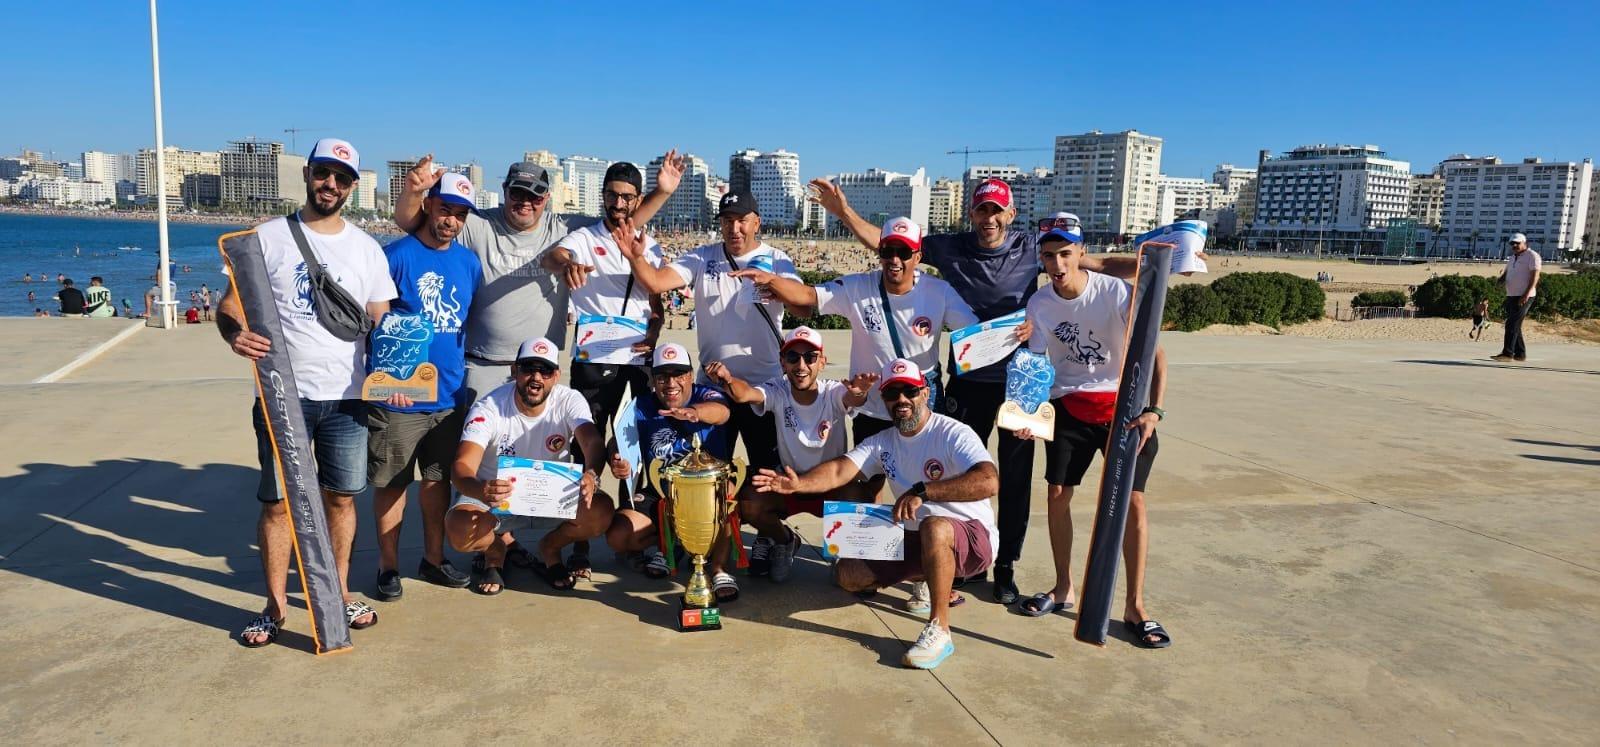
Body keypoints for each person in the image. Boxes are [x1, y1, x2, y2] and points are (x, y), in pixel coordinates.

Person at [810, 179, 1139, 605]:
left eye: (997, 211)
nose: (990, 219)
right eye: (982, 210)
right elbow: (893, 246)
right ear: (972, 213)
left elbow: (1094, 262)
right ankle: (950, 553)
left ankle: (1005, 568)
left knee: (1016, 481)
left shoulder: (1030, 246)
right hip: (967, 383)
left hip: (1020, 381)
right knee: (952, 473)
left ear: (1011, 214)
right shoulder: (950, 247)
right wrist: (844, 212)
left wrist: (1156, 263)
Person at [215, 137, 397, 647]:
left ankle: (336, 593)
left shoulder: (366, 249)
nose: (331, 185)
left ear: (353, 187)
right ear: (308, 174)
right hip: (280, 396)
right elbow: (229, 306)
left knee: (341, 501)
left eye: (342, 178)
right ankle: (275, 606)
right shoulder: (266, 238)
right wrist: (234, 335)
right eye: (323, 173)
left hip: (347, 399)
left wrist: (400, 376)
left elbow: (383, 326)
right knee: (277, 505)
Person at [752, 359, 999, 669]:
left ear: (925, 393)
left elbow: (989, 481)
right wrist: (800, 483)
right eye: (892, 394)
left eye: (909, 391)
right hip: (915, 536)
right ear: (884, 400)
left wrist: (925, 491)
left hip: (970, 537)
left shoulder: (953, 433)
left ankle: (940, 629)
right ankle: (926, 573)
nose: (901, 401)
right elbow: (841, 468)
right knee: (848, 577)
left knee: (935, 526)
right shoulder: (883, 443)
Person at [393, 153, 678, 407]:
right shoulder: (477, 224)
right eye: (518, 193)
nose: (526, 202)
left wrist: (663, 192)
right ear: (505, 191)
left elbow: (625, 220)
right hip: (484, 364)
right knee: (479, 454)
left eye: (535, 196)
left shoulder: (565, 226)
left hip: (541, 366)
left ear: (546, 198)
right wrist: (413, 193)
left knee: (531, 453)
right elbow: (413, 224)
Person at [1010, 222, 1171, 649]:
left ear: (1081, 251)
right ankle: (1064, 588)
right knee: (1057, 494)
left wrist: (1154, 410)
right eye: (1049, 256)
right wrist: (1030, 415)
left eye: (1065, 253)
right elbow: (1039, 368)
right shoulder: (1040, 304)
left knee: (1132, 502)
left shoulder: (1114, 292)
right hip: (1069, 409)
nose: (1057, 264)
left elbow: (1154, 350)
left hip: (1124, 410)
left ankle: (1135, 606)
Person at [611, 188, 804, 516]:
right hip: (714, 389)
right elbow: (657, 283)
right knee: (708, 470)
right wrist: (634, 257)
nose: (735, 228)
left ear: (756, 222)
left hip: (764, 389)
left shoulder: (777, 259)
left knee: (765, 472)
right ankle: (705, 538)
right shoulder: (703, 257)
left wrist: (773, 283)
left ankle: (769, 540)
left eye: (742, 220)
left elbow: (802, 310)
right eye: (727, 221)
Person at [735, 217, 978, 445]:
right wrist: (770, 280)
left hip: (919, 402)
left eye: (903, 252)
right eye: (887, 251)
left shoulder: (939, 292)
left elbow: (975, 335)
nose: (894, 259)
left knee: (929, 474)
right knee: (870, 484)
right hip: (872, 405)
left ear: (918, 257)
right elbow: (809, 295)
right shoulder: (858, 287)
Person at [367, 173, 483, 601]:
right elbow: (374, 323)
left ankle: (433, 560)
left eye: (460, 213)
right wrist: (385, 383)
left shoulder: (469, 263)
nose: (450, 219)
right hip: (401, 396)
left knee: (437, 483)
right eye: (445, 208)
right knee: (393, 483)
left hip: (450, 397)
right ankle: (388, 566)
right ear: (429, 204)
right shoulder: (396, 256)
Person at [704, 326, 880, 582]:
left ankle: (849, 556)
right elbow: (746, 394)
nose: (801, 365)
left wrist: (859, 393)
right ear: (782, 362)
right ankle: (786, 541)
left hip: (829, 486)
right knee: (750, 503)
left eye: (810, 357)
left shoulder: (832, 392)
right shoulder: (777, 389)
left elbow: (852, 399)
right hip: (789, 484)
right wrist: (728, 380)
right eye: (792, 357)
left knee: (859, 497)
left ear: (822, 361)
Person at [445, 337, 610, 595]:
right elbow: (462, 465)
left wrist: (591, 474)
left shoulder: (569, 399)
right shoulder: (488, 408)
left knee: (600, 512)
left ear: (556, 376)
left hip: (551, 497)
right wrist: (481, 489)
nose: (536, 378)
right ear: (514, 371)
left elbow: (592, 442)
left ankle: (550, 547)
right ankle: (495, 550)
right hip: (497, 497)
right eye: (528, 368)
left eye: (544, 370)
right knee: (459, 528)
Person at [540, 162, 666, 449]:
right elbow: (551, 257)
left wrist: (655, 331)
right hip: (594, 356)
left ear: (638, 200)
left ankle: (636, 496)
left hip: (637, 356)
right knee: (586, 439)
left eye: (626, 197)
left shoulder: (651, 246)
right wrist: (567, 264)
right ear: (603, 195)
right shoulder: (587, 237)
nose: (618, 203)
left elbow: (656, 303)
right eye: (612, 195)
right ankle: (587, 492)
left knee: (637, 441)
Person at [605, 343, 740, 601]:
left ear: (690, 375)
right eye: (663, 376)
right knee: (618, 536)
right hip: (663, 492)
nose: (671, 383)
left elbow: (722, 413)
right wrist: (616, 457)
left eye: (679, 374)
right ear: (654, 379)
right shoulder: (641, 405)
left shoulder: (706, 395)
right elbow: (618, 438)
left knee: (730, 495)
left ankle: (719, 568)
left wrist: (693, 413)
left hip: (706, 491)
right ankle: (674, 545)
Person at [1493, 233, 1540, 363]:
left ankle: (1507, 354)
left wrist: (1525, 294)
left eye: (1517, 243)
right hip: (1511, 295)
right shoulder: (1513, 257)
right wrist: (1500, 281)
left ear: (1525, 243)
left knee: (1511, 324)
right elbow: (1507, 272)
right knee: (1515, 325)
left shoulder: (1533, 256)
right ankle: (1520, 354)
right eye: (1512, 243)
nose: (1514, 245)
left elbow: (1535, 277)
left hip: (1525, 295)